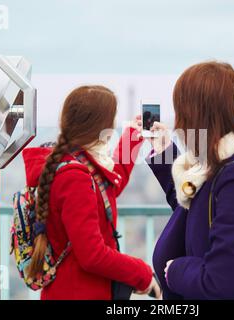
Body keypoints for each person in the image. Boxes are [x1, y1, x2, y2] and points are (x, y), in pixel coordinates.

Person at [147, 61, 234, 299]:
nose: (178, 122)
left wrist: (175, 270)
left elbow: (223, 281)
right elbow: (195, 212)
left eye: (181, 111)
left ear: (198, 114)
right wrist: (165, 153)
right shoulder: (220, 164)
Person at [22, 85, 161, 300]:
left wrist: (132, 137)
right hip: (80, 292)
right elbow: (92, 255)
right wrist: (142, 273)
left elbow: (108, 189)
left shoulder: (73, 161)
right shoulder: (75, 177)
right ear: (102, 126)